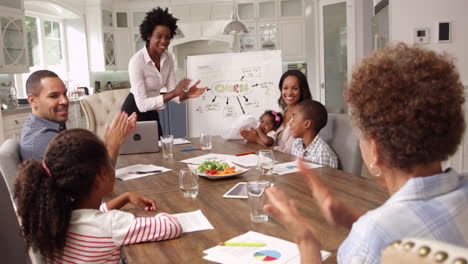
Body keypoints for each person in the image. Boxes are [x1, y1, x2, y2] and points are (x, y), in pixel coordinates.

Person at [264, 44, 467, 264]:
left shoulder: (371, 236)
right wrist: (352, 219)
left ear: (376, 149)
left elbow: (378, 240)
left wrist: (305, 240)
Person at [14, 129, 182, 263]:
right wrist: (159, 213)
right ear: (101, 174)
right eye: (109, 162)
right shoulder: (111, 225)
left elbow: (91, 215)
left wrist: (125, 197)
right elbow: (171, 226)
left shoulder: (57, 215)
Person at [122, 7, 206, 136]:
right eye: (159, 36)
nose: (164, 41)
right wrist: (173, 93)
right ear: (149, 35)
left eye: (167, 37)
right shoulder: (137, 62)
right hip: (133, 114)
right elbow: (142, 105)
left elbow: (174, 94)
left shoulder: (168, 58)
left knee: (159, 151)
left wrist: (187, 94)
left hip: (152, 111)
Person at [20, 70, 136, 162]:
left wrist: (111, 139)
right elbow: (94, 181)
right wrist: (113, 145)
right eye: (54, 96)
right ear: (33, 101)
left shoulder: (49, 127)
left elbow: (84, 162)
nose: (64, 101)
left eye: (64, 94)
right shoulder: (45, 140)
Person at [241, 70, 312, 153]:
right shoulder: (280, 115)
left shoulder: (302, 119)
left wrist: (257, 140)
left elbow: (289, 152)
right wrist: (254, 133)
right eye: (285, 88)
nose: (289, 92)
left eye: (295, 88)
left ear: (302, 91)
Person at [290, 100, 337, 168]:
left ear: (307, 124)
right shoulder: (296, 144)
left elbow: (323, 178)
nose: (290, 123)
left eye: (294, 118)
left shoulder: (322, 153)